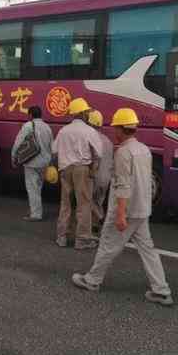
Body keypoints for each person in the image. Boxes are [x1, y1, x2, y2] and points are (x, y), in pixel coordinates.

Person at [71, 108, 174, 306]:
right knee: (148, 249)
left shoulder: (124, 153)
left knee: (108, 245)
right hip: (142, 209)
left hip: (126, 210)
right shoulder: (144, 149)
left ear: (120, 128)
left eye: (115, 128)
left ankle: (92, 280)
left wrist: (120, 214)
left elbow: (123, 186)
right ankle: (161, 290)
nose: (113, 132)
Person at [53, 97, 102, 250]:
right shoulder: (90, 131)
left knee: (65, 204)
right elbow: (98, 154)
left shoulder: (63, 130)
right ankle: (82, 240)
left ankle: (61, 237)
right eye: (86, 112)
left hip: (65, 169)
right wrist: (93, 170)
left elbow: (54, 151)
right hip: (82, 169)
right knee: (83, 204)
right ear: (83, 113)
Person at [11, 106, 53, 221]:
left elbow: (18, 142)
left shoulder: (28, 126)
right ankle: (35, 209)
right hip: (45, 162)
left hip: (31, 162)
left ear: (30, 115)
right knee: (38, 187)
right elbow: (51, 146)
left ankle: (36, 214)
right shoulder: (47, 127)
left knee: (32, 188)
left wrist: (14, 157)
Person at [88, 110, 114, 232]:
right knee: (98, 201)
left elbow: (92, 159)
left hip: (95, 176)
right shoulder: (108, 140)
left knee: (87, 199)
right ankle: (95, 225)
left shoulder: (91, 139)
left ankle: (100, 217)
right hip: (106, 178)